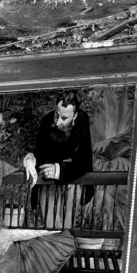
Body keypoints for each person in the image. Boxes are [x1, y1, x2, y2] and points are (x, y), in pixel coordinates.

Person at [0, 107, 76, 273]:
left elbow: (20, 164)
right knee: (6, 269)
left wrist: (29, 161)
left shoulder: (1, 165)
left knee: (30, 257)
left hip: (0, 233)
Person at [25, 91, 94, 229]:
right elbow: (39, 156)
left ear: (74, 116)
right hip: (47, 181)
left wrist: (59, 169)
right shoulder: (46, 121)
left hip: (73, 179)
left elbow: (84, 161)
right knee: (51, 226)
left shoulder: (82, 120)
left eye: (64, 118)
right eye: (57, 115)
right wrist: (30, 160)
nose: (57, 122)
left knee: (68, 226)